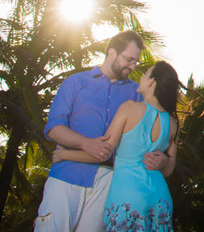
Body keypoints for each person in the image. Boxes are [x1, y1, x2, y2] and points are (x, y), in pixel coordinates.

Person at [35, 31, 173, 232]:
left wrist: (164, 160)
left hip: (109, 183)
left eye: (136, 62)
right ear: (112, 53)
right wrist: (85, 143)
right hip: (67, 174)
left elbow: (156, 131)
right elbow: (54, 129)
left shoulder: (138, 94)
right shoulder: (75, 82)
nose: (133, 66)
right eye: (129, 60)